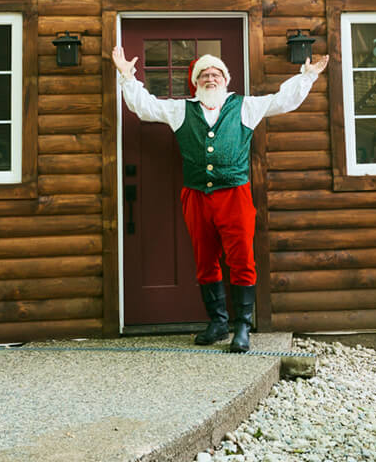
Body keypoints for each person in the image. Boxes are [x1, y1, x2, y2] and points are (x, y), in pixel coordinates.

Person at [112, 46, 329, 352]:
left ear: (225, 80)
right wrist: (126, 76)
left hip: (235, 196)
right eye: (204, 74)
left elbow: (282, 101)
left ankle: (242, 326)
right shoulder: (180, 110)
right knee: (205, 260)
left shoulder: (244, 107)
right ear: (195, 82)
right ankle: (217, 323)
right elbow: (145, 107)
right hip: (196, 196)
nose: (210, 78)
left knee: (242, 259)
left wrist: (305, 77)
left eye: (215, 73)